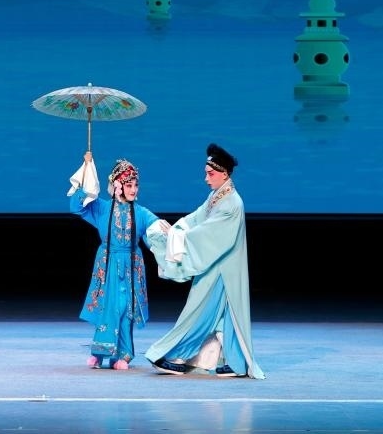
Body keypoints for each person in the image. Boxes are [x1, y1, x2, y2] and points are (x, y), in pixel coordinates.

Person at [144, 143, 266, 379]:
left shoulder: (232, 204)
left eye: (210, 174)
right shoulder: (217, 197)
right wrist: (176, 228)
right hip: (216, 267)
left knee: (199, 313)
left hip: (222, 270)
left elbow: (208, 234)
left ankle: (172, 356)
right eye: (206, 173)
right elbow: (197, 218)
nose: (206, 179)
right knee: (222, 317)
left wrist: (178, 237)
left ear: (225, 173)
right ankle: (236, 363)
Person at [68, 151, 170, 370]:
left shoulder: (141, 212)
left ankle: (123, 355)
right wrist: (87, 174)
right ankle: (100, 352)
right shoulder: (102, 208)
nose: (134, 190)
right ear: (117, 185)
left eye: (136, 185)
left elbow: (155, 228)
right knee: (108, 305)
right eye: (129, 185)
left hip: (131, 263)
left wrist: (168, 230)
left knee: (126, 307)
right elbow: (76, 206)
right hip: (108, 262)